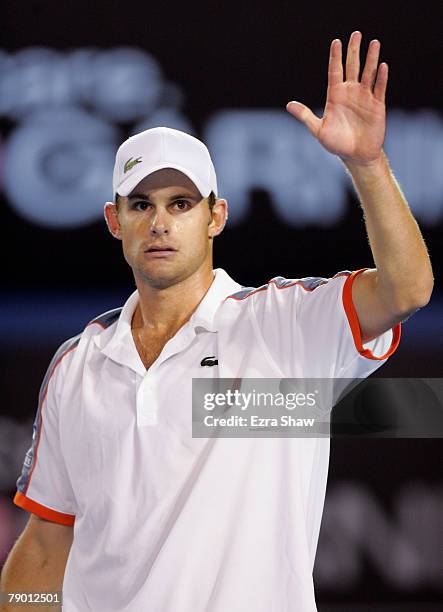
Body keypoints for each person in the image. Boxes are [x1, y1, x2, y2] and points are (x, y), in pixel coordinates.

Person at [1, 32, 433, 612]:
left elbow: (408, 288)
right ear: (113, 220)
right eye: (141, 204)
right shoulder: (77, 366)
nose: (160, 223)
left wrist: (367, 163)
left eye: (181, 204)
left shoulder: (284, 327)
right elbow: (47, 549)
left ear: (215, 217)